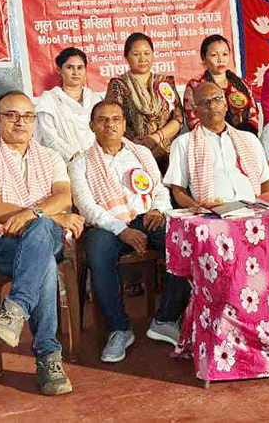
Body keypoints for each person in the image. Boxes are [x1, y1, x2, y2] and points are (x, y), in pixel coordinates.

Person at [0, 91, 84, 395]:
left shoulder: (50, 156)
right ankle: (48, 358)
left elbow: (64, 197)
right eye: (12, 115)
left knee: (41, 231)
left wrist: (34, 215)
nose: (21, 122)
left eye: (28, 116)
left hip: (46, 235)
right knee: (45, 263)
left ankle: (15, 310)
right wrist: (48, 216)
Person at [68, 101, 191, 363]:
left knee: (181, 242)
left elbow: (159, 189)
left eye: (116, 119)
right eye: (102, 120)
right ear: (92, 126)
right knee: (98, 252)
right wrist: (121, 230)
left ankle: (166, 319)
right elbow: (86, 207)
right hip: (106, 225)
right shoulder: (80, 163)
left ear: (124, 124)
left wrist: (158, 210)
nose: (110, 124)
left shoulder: (141, 153)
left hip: (147, 218)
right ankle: (119, 329)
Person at [165, 82, 269, 208]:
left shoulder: (249, 139)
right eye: (205, 102)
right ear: (195, 111)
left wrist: (265, 209)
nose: (212, 106)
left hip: (253, 210)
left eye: (217, 99)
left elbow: (265, 182)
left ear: (225, 106)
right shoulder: (184, 143)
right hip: (212, 213)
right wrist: (198, 209)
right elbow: (178, 190)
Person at [105, 32, 185, 170]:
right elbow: (114, 120)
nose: (142, 58)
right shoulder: (119, 85)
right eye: (136, 54)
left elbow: (178, 118)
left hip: (168, 153)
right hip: (134, 153)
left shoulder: (165, 82)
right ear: (126, 57)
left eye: (147, 53)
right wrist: (139, 145)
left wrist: (156, 138)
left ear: (153, 55)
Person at [34, 47, 104, 162]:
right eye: (70, 67)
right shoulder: (49, 100)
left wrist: (95, 157)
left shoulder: (96, 100)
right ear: (59, 70)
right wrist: (75, 156)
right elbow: (49, 137)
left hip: (97, 159)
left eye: (80, 68)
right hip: (63, 162)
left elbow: (104, 131)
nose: (76, 72)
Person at [183, 35, 260, 134]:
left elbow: (253, 114)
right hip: (209, 138)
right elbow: (193, 120)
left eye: (225, 54)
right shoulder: (195, 86)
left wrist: (244, 134)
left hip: (243, 136)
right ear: (203, 58)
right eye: (214, 55)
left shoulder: (241, 84)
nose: (220, 60)